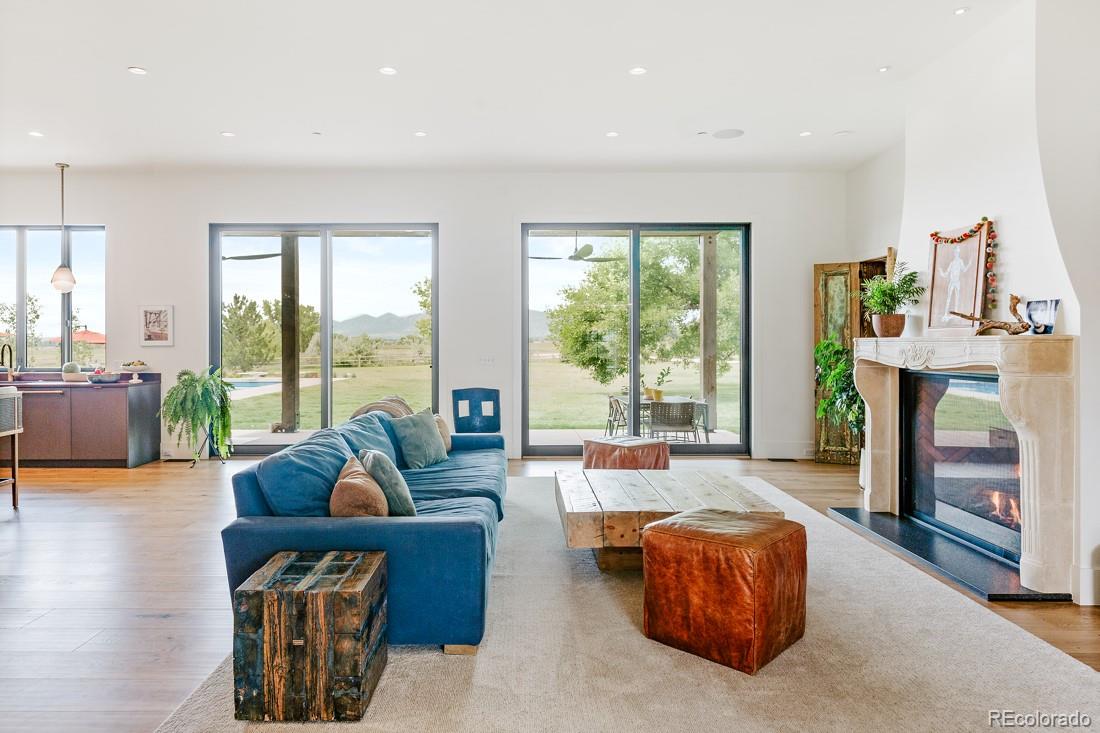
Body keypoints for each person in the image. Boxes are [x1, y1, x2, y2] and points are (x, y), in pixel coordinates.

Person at [938, 246, 971, 322]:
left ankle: (956, 314)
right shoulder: (952, 263)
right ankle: (945, 314)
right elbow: (946, 274)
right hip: (952, 282)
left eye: (957, 252)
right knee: (948, 298)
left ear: (959, 253)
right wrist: (940, 271)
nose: (956, 253)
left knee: (957, 298)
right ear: (954, 253)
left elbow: (964, 270)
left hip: (957, 282)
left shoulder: (960, 261)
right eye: (955, 252)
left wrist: (969, 264)